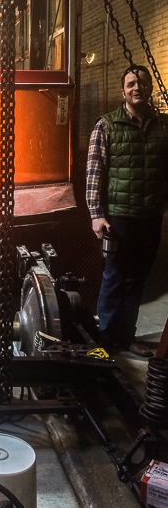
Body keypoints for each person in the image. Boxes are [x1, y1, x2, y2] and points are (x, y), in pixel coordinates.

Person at [86, 64, 168, 357]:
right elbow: (95, 174)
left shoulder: (162, 127)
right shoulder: (106, 126)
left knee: (137, 280)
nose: (137, 88)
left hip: (148, 217)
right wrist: (97, 214)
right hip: (118, 218)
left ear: (149, 89)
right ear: (124, 90)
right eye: (131, 83)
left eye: (142, 83)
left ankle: (127, 335)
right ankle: (106, 340)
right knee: (114, 277)